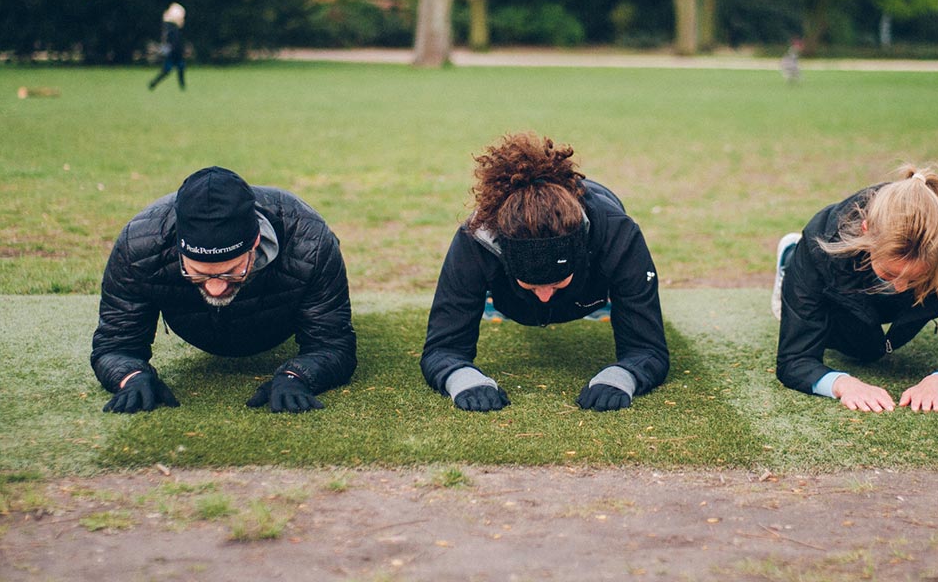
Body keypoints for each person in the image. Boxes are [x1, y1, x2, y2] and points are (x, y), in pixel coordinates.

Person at [421, 132, 669, 412]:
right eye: (532, 284)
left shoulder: (618, 234)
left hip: (591, 287)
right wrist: (462, 378)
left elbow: (649, 348)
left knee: (610, 302)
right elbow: (442, 348)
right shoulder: (475, 241)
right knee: (521, 297)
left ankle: (600, 299)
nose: (544, 296)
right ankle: (497, 299)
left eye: (556, 283)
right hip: (508, 298)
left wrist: (623, 376)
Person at [91, 166, 356, 412]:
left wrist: (299, 375)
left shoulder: (311, 240)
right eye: (197, 274)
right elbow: (115, 345)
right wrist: (129, 375)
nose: (216, 289)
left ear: (255, 242)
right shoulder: (137, 245)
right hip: (196, 330)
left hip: (276, 329)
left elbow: (332, 344)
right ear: (178, 251)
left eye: (232, 272)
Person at [773, 166, 938, 412]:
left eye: (914, 278)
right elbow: (795, 358)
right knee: (858, 348)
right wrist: (842, 384)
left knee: (874, 343)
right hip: (836, 281)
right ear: (866, 232)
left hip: (887, 284)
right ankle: (791, 263)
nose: (900, 287)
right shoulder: (821, 241)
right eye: (890, 273)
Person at [148, 2, 186, 91]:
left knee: (180, 68)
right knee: (167, 70)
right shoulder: (171, 28)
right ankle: (153, 83)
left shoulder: (172, 28)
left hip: (176, 53)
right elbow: (172, 42)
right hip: (173, 54)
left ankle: (182, 86)